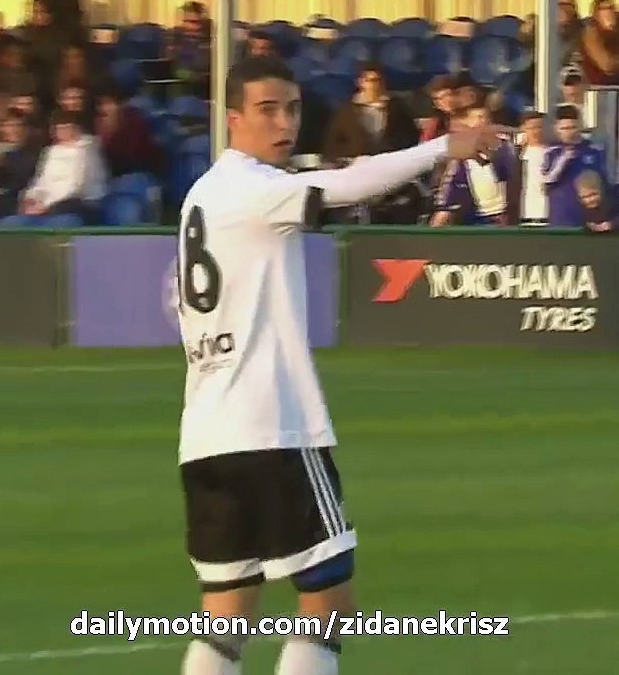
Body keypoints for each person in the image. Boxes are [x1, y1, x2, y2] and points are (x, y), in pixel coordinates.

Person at [175, 56, 499, 675]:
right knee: (329, 607)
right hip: (272, 428)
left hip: (206, 436)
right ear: (233, 118)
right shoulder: (254, 191)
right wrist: (443, 148)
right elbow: (344, 185)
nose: (284, 123)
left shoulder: (204, 194)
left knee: (227, 617)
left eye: (293, 109)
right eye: (268, 110)